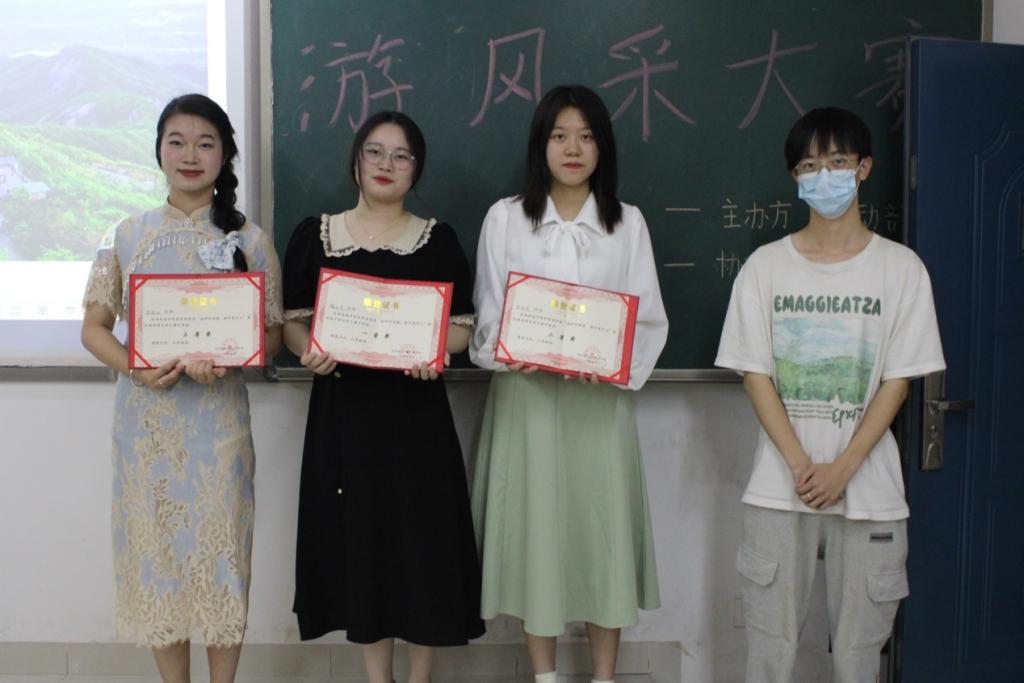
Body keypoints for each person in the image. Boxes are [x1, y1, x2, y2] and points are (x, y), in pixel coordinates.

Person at [715, 107, 946, 683]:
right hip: (778, 488)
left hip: (869, 490)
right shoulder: (765, 267)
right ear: (795, 177)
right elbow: (755, 375)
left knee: (858, 656)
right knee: (769, 654)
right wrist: (801, 464)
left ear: (864, 168)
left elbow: (898, 380)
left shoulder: (902, 269)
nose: (824, 176)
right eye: (809, 166)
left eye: (838, 162)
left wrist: (843, 468)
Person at [80, 93, 283, 683]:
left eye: (205, 143)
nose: (190, 155)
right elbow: (94, 329)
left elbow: (272, 335)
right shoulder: (125, 234)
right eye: (177, 141)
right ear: (159, 151)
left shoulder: (251, 240)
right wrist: (136, 368)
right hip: (146, 430)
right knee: (159, 564)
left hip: (219, 429)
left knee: (223, 564)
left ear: (225, 155)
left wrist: (229, 356)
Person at [469, 85, 668, 683]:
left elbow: (647, 317)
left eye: (586, 136)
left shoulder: (627, 223)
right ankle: (546, 676)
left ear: (602, 146)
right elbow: (488, 313)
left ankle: (604, 676)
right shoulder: (506, 218)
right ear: (541, 144)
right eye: (559, 135)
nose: (573, 148)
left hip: (599, 404)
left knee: (602, 540)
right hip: (527, 402)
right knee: (539, 541)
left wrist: (610, 361)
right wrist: (513, 351)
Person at [282, 110, 485, 683]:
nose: (386, 164)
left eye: (401, 155)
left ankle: (419, 678)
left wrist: (435, 349)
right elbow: (294, 322)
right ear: (356, 161)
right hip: (344, 418)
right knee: (360, 542)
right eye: (375, 151)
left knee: (421, 545)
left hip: (415, 418)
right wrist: (307, 349)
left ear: (416, 170)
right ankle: (379, 678)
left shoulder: (437, 240)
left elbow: (463, 328)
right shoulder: (316, 235)